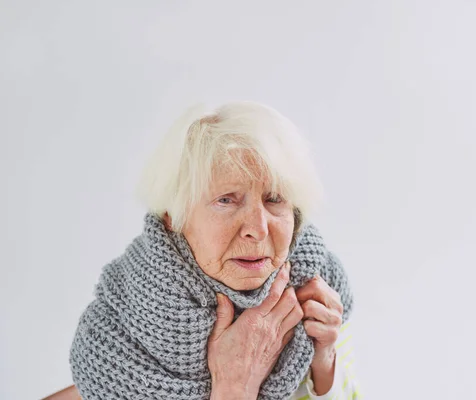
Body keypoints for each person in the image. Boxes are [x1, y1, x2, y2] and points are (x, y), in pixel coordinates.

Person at [44, 101, 363, 399]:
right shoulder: (111, 348)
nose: (258, 228)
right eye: (227, 199)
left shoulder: (316, 280)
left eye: (274, 198)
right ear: (175, 219)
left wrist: (323, 359)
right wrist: (232, 387)